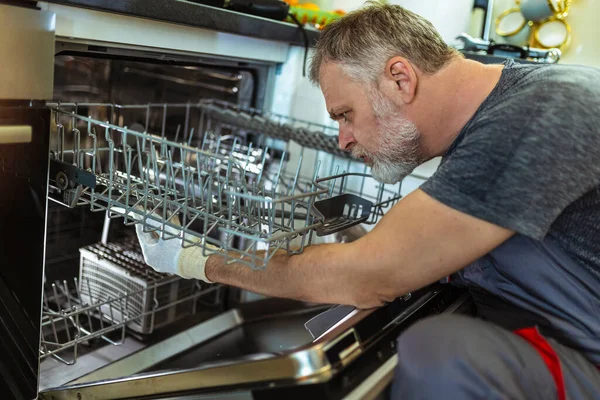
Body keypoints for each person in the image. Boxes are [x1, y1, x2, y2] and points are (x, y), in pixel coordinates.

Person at [136, 3, 600, 399]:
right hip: (562, 335)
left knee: (439, 354)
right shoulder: (503, 111)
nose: (342, 139)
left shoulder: (543, 113)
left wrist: (197, 260)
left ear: (400, 78)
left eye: (345, 114)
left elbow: (368, 276)